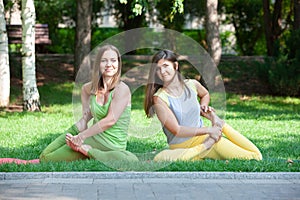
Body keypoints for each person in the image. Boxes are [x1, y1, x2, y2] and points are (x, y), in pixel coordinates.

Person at [144, 49, 262, 161]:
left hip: (201, 138)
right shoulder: (159, 99)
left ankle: (220, 125)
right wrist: (209, 130)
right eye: (158, 69)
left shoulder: (192, 84)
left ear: (175, 66)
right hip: (182, 145)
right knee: (255, 156)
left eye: (165, 66)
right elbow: (177, 130)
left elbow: (205, 94)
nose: (162, 72)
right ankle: (205, 146)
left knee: (254, 155)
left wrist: (203, 106)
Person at [39, 44, 138, 163]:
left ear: (118, 64)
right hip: (93, 138)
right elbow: (84, 90)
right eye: (104, 61)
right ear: (98, 64)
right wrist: (84, 120)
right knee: (45, 156)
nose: (109, 65)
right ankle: (82, 138)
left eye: (113, 60)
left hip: (113, 144)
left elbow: (110, 120)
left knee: (46, 159)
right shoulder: (92, 87)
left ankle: (89, 151)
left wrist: (81, 136)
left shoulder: (122, 89)